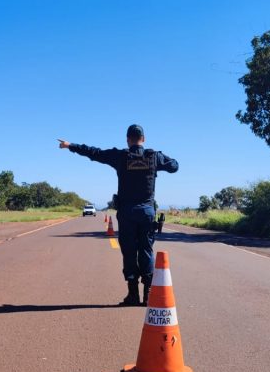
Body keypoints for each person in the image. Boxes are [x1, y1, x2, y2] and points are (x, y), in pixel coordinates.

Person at [58, 124, 179, 306]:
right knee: (146, 250)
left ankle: (132, 295)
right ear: (143, 140)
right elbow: (175, 166)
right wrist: (161, 159)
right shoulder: (154, 157)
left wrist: (70, 145)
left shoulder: (121, 156)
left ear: (127, 139)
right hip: (146, 213)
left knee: (129, 252)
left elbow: (94, 153)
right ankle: (148, 295)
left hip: (127, 213)